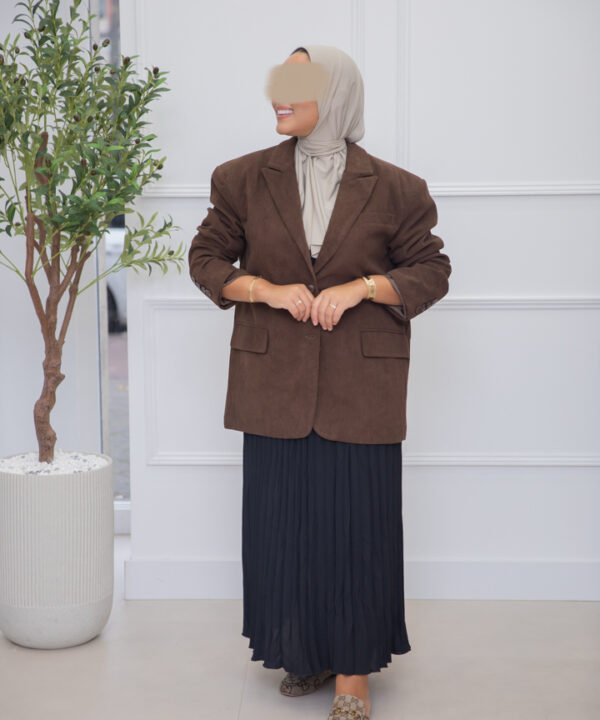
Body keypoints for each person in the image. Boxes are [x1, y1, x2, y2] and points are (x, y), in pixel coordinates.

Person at [188, 44, 452, 720]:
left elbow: (431, 271)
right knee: (283, 528)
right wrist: (267, 290)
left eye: (298, 80)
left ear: (335, 93)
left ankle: (353, 672)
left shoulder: (398, 188)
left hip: (361, 390)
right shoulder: (241, 179)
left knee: (358, 529)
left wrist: (364, 287)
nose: (278, 92)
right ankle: (302, 651)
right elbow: (206, 258)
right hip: (272, 384)